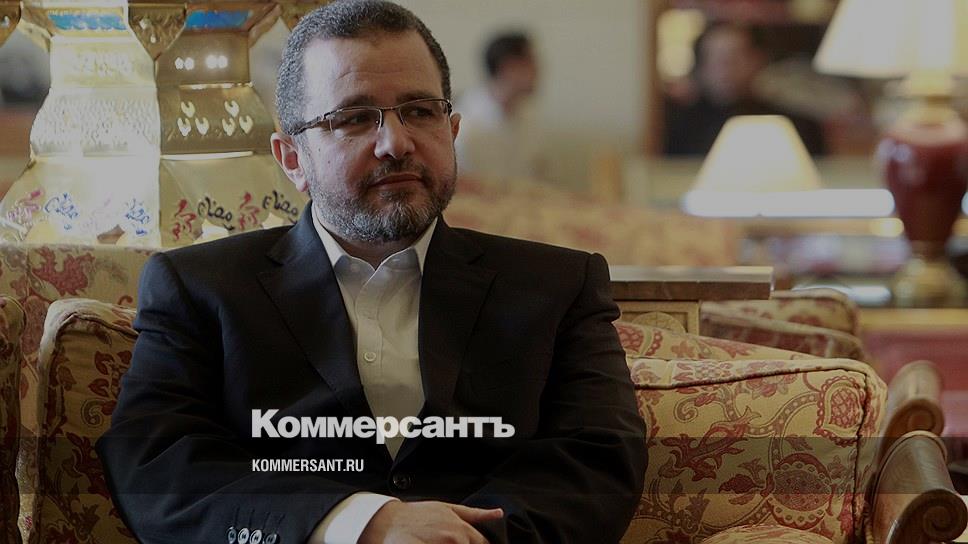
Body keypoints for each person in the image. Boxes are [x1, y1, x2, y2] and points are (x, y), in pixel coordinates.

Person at [96, 1, 647, 543]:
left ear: (452, 129)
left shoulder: (557, 286)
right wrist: (360, 524)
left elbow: (597, 460)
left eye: (420, 111)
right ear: (292, 159)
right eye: (354, 118)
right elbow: (156, 466)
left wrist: (460, 538)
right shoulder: (200, 288)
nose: (396, 143)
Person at [664, 22, 827, 156]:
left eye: (735, 57)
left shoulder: (791, 121)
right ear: (700, 67)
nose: (725, 68)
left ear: (758, 60)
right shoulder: (678, 124)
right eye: (714, 58)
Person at [454, 32, 546, 185]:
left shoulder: (528, 115)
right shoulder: (464, 127)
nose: (538, 69)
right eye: (531, 61)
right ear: (508, 67)